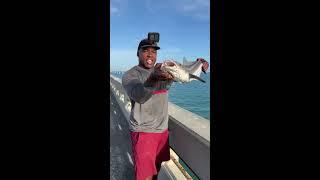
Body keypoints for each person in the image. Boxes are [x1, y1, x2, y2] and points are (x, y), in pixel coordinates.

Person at [122, 37, 209, 180]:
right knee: (144, 176)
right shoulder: (131, 75)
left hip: (162, 131)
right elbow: (140, 96)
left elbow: (184, 76)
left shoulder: (165, 71)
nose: (150, 54)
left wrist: (199, 64)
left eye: (154, 51)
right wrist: (153, 79)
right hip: (143, 132)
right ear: (137, 53)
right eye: (145, 50)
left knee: (156, 168)